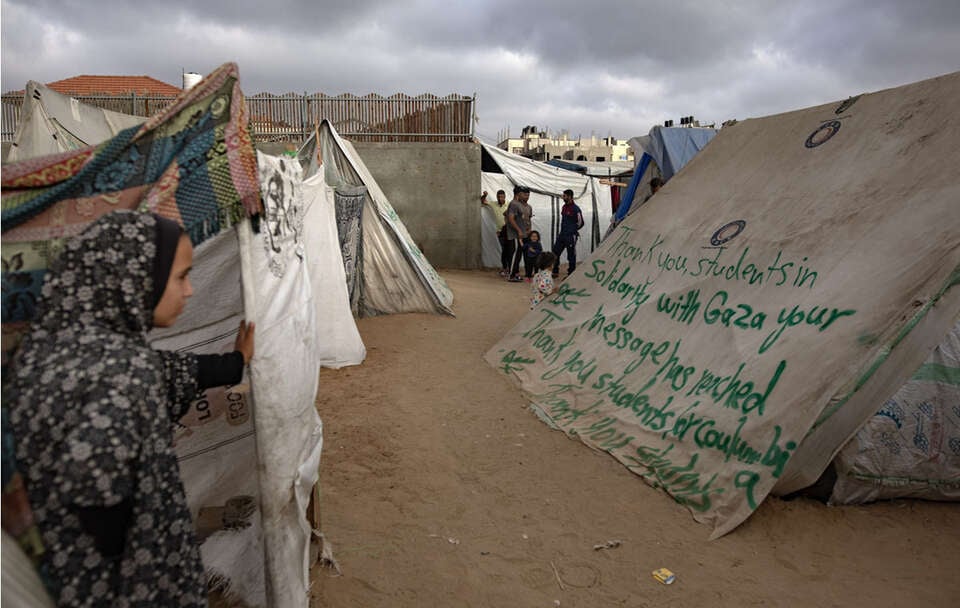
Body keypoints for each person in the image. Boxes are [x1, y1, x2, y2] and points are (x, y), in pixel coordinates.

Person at [6, 210, 255, 607]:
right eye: (179, 277)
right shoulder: (122, 371)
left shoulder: (60, 347)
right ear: (134, 278)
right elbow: (96, 492)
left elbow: (170, 371)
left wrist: (236, 362)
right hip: (128, 584)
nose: (189, 291)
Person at [551, 189, 584, 278]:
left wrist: (573, 230)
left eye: (564, 196)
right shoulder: (564, 207)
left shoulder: (575, 209)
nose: (563, 197)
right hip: (562, 235)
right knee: (555, 252)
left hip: (570, 236)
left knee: (571, 254)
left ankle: (571, 273)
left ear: (569, 196)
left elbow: (581, 222)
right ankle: (555, 271)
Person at [504, 185, 533, 282]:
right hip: (516, 234)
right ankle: (511, 275)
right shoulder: (514, 204)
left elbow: (528, 219)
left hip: (525, 234)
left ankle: (517, 273)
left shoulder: (528, 207)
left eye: (528, 195)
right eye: (524, 195)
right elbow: (510, 218)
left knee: (521, 254)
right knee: (515, 253)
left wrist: (529, 229)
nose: (526, 196)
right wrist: (519, 230)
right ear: (519, 194)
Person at [480, 189, 510, 276]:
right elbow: (482, 201)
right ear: (497, 197)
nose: (501, 198)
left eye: (502, 197)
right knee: (504, 250)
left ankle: (508, 268)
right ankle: (505, 268)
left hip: (509, 231)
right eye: (499, 197)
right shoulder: (494, 204)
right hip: (500, 232)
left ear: (505, 197)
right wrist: (485, 195)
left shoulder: (508, 204)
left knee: (509, 250)